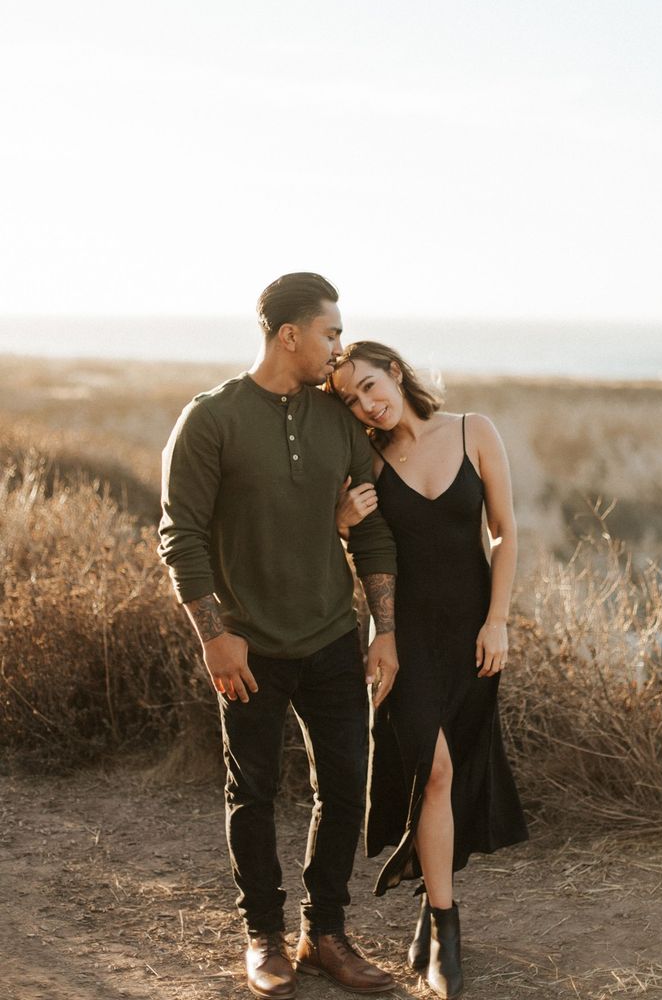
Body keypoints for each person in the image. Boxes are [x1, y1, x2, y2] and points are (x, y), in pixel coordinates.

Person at [158, 275, 400, 1000]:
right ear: (289, 334)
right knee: (253, 791)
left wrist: (384, 629)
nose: (338, 346)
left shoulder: (337, 422)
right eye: (330, 333)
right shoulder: (211, 418)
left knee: (346, 788)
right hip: (250, 646)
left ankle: (324, 933)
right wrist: (214, 636)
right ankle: (263, 934)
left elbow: (375, 531)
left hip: (332, 635)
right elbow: (181, 535)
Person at [329, 341, 528, 1000]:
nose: (367, 402)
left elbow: (503, 530)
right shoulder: (369, 463)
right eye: (351, 399)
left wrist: (498, 618)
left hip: (474, 634)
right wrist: (340, 520)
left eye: (368, 384)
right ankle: (446, 930)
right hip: (404, 642)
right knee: (434, 769)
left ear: (392, 370)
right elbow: (353, 551)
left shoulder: (474, 430)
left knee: (454, 771)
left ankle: (431, 897)